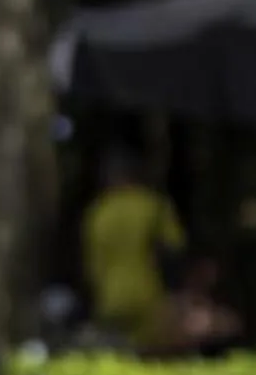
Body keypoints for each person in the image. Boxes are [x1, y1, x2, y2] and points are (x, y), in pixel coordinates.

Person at [79, 143, 186, 356]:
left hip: (110, 298)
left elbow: (91, 264)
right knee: (153, 359)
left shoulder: (98, 212)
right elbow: (174, 249)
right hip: (149, 296)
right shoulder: (153, 205)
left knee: (117, 359)